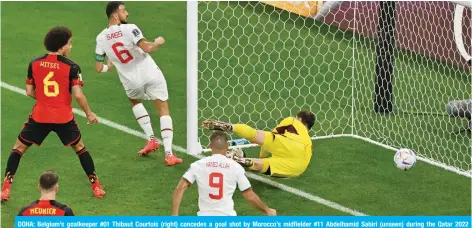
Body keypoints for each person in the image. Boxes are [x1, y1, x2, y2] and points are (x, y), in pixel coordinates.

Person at [1, 26, 105, 201]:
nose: (71, 47)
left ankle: (5, 189)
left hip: (40, 117)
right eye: (70, 43)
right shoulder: (72, 66)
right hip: (63, 118)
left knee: (18, 149)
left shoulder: (34, 63)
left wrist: (45, 100)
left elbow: (28, 91)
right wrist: (89, 114)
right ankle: (96, 186)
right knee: (80, 148)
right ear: (62, 46)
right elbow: (78, 94)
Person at [94, 1, 182, 166]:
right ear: (115, 15)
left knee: (134, 101)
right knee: (163, 108)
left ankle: (151, 139)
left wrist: (109, 67)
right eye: (123, 10)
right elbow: (147, 48)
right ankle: (169, 154)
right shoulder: (130, 28)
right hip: (150, 74)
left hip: (131, 82)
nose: (127, 13)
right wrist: (158, 42)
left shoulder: (100, 38)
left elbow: (98, 68)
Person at [172, 131, 276, 216]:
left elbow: (180, 188)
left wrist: (175, 216)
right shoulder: (236, 167)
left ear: (210, 145)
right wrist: (267, 210)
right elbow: (249, 195)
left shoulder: (198, 165)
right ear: (227, 146)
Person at [202, 110, 315, 178]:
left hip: (288, 143)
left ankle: (231, 127)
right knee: (259, 165)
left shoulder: (293, 121)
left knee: (256, 134)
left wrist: (262, 155)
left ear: (299, 118)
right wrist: (262, 159)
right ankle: (238, 159)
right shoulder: (308, 141)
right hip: (298, 167)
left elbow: (267, 141)